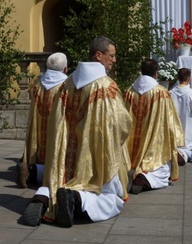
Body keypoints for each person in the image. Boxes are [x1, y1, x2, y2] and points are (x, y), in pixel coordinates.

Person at [20, 36, 132, 227]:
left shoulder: (67, 83)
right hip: (92, 154)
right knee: (110, 197)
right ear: (99, 55)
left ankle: (42, 197)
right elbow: (121, 124)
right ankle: (75, 200)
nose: (114, 60)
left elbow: (55, 120)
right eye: (111, 56)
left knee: (57, 180)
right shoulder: (106, 86)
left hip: (65, 154)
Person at [124, 58, 185, 194]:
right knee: (161, 170)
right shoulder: (161, 93)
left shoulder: (129, 92)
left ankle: (132, 172)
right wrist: (175, 143)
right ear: (156, 73)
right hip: (152, 144)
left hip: (131, 147)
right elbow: (170, 120)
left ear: (141, 71)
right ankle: (143, 178)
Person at [16, 52, 68, 188]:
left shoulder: (37, 84)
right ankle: (37, 173)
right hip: (56, 128)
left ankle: (31, 168)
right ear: (65, 69)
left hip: (39, 132)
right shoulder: (66, 86)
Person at [169, 68, 192, 163]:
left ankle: (175, 152)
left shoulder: (169, 94)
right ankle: (183, 155)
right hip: (189, 127)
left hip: (173, 128)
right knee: (189, 147)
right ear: (188, 79)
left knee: (175, 143)